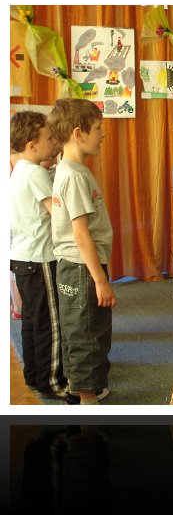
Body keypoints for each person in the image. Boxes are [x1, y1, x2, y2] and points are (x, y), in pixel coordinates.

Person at [48, 98, 114, 405]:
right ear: (78, 133)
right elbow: (80, 233)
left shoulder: (72, 170)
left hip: (79, 266)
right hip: (81, 268)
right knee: (87, 333)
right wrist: (100, 280)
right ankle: (88, 402)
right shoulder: (73, 175)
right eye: (98, 128)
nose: (103, 134)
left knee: (86, 329)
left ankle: (86, 389)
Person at [10, 111, 67, 400]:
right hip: (41, 258)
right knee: (51, 323)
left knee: (32, 320)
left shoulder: (19, 169)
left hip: (22, 256)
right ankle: (52, 382)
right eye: (49, 138)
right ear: (32, 145)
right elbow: (56, 213)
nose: (54, 142)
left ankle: (33, 375)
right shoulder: (35, 173)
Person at [10, 152, 23, 320]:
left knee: (12, 267)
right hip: (14, 219)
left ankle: (17, 306)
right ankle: (19, 307)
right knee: (14, 267)